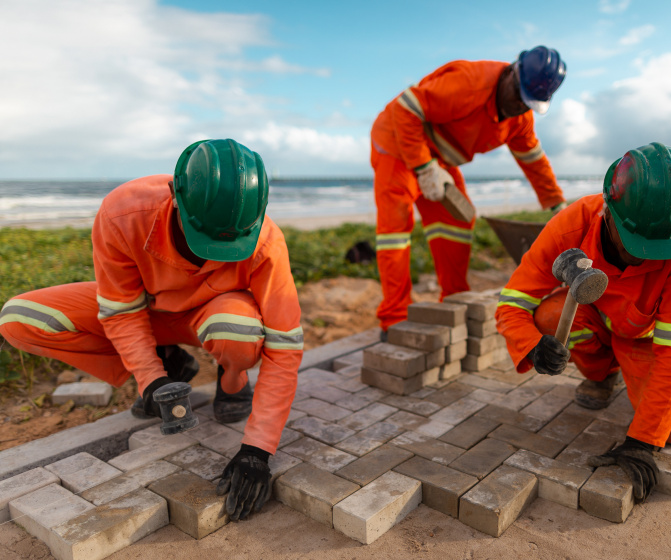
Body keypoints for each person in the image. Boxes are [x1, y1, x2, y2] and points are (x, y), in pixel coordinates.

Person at [0, 139, 303, 521]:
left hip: (211, 314)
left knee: (239, 332)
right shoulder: (124, 212)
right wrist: (150, 378)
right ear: (177, 198)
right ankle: (166, 364)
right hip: (146, 311)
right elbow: (120, 309)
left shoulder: (265, 241)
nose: (210, 255)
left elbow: (285, 343)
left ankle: (233, 381)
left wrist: (258, 449)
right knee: (20, 318)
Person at [495, 142, 671, 503]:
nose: (644, 255)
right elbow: (511, 303)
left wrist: (643, 440)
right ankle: (602, 375)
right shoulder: (572, 226)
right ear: (608, 212)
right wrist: (531, 345)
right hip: (600, 321)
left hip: (646, 338)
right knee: (549, 317)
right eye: (635, 243)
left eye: (657, 247)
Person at [370, 46, 568, 334]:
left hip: (438, 158)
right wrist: (424, 167)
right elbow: (407, 108)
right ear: (513, 71)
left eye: (528, 103)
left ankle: (454, 299)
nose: (519, 106)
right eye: (519, 95)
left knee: (459, 219)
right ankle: (394, 317)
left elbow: (533, 161)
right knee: (395, 230)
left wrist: (557, 207)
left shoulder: (519, 120)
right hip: (397, 143)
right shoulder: (470, 83)